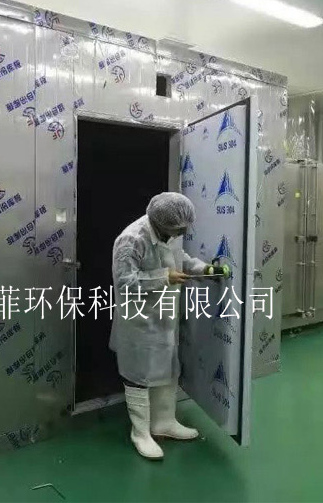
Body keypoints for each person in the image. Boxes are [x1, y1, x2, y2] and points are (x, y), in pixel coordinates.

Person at [109, 192, 211, 460]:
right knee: (139, 375)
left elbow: (181, 258)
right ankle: (140, 433)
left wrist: (203, 269)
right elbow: (125, 281)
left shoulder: (170, 234)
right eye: (178, 229)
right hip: (139, 320)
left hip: (164, 316)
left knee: (168, 368)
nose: (182, 233)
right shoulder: (131, 240)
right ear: (161, 223)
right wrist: (164, 277)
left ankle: (164, 422)